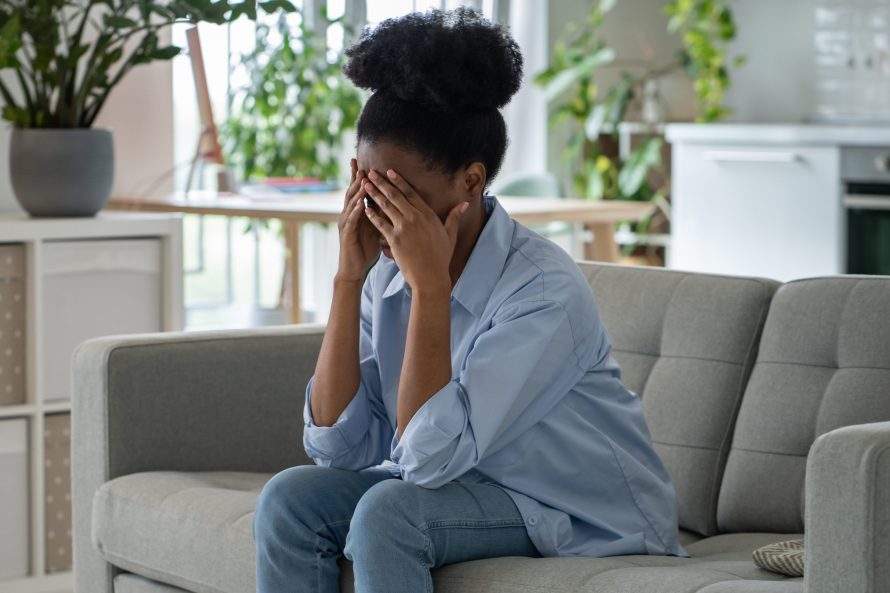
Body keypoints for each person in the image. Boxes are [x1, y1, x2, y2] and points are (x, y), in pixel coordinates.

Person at [253, 7, 689, 593]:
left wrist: (431, 288)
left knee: (389, 512)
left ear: (471, 181)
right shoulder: (381, 274)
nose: (382, 219)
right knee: (289, 498)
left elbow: (427, 460)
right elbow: (336, 444)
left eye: (399, 196)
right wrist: (348, 277)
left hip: (575, 512)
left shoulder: (541, 290)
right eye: (368, 189)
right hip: (465, 490)